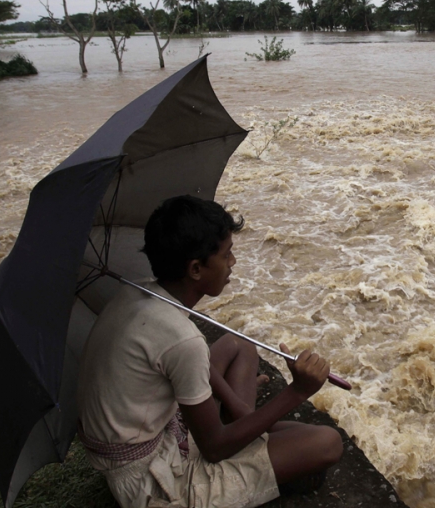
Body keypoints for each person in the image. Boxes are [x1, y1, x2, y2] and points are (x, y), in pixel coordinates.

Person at [76, 195, 343, 508]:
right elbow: (214, 447)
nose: (233, 263)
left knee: (239, 344)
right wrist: (297, 392)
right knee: (327, 443)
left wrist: (244, 413)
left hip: (146, 428)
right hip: (152, 482)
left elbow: (186, 360)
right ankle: (253, 446)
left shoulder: (136, 292)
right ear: (195, 269)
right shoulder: (181, 339)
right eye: (226, 255)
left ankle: (242, 422)